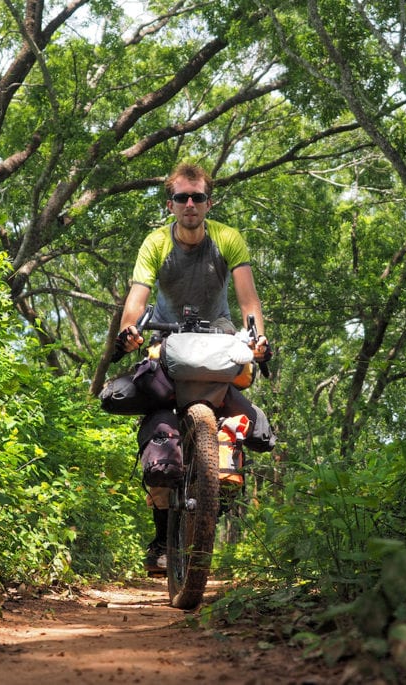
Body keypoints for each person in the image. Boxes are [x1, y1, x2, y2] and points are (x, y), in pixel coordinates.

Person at [114, 161, 272, 576]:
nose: (190, 204)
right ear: (170, 204)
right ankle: (162, 536)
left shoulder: (227, 239)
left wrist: (256, 337)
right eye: (182, 197)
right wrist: (130, 330)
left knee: (238, 412)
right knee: (158, 418)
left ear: (208, 202)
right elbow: (137, 297)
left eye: (197, 197)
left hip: (219, 338)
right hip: (167, 338)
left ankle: (211, 494)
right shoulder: (155, 243)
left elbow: (248, 300)